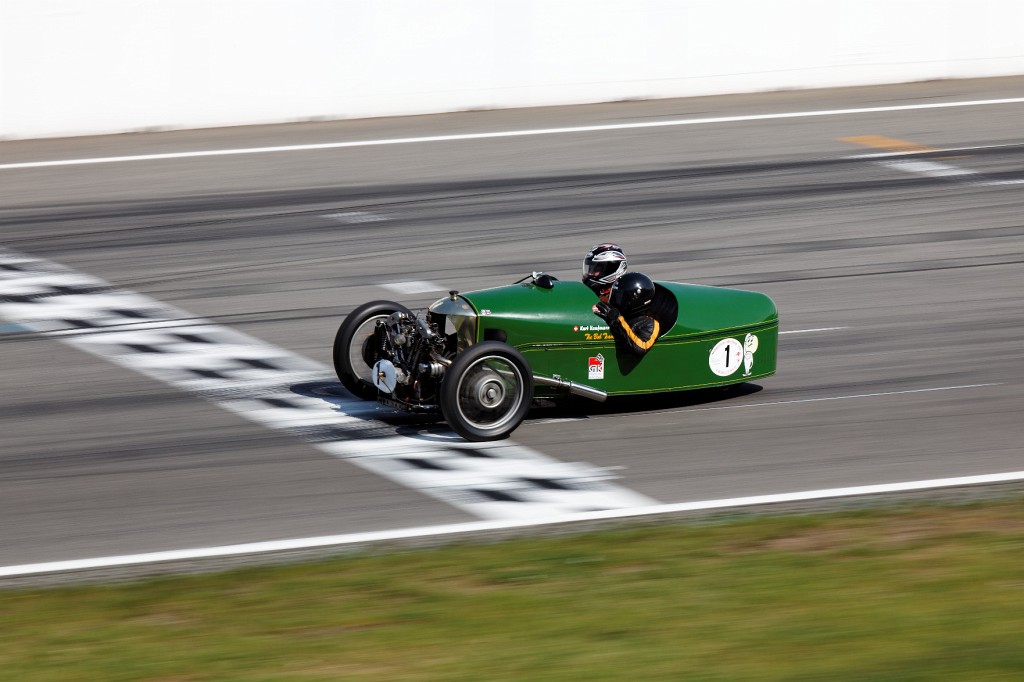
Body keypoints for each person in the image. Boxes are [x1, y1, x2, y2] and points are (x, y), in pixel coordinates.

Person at [592, 272, 660, 356]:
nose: (615, 299)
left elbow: (641, 347)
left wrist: (617, 321)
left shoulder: (651, 324)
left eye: (620, 296)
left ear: (635, 300)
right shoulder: (619, 313)